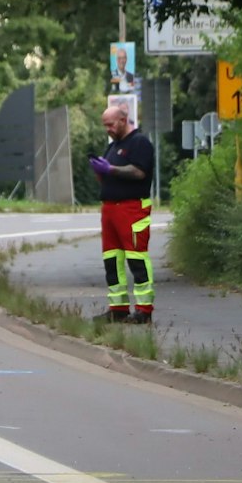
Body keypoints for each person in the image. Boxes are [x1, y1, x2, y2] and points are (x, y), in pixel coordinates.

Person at [88, 104, 156, 324]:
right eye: (105, 125)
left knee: (136, 259)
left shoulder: (139, 143)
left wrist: (111, 169)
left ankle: (144, 310)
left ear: (122, 120)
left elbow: (138, 171)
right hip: (110, 209)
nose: (107, 129)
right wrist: (101, 172)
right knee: (112, 260)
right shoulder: (113, 146)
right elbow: (109, 177)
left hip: (131, 208)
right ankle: (118, 308)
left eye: (110, 124)